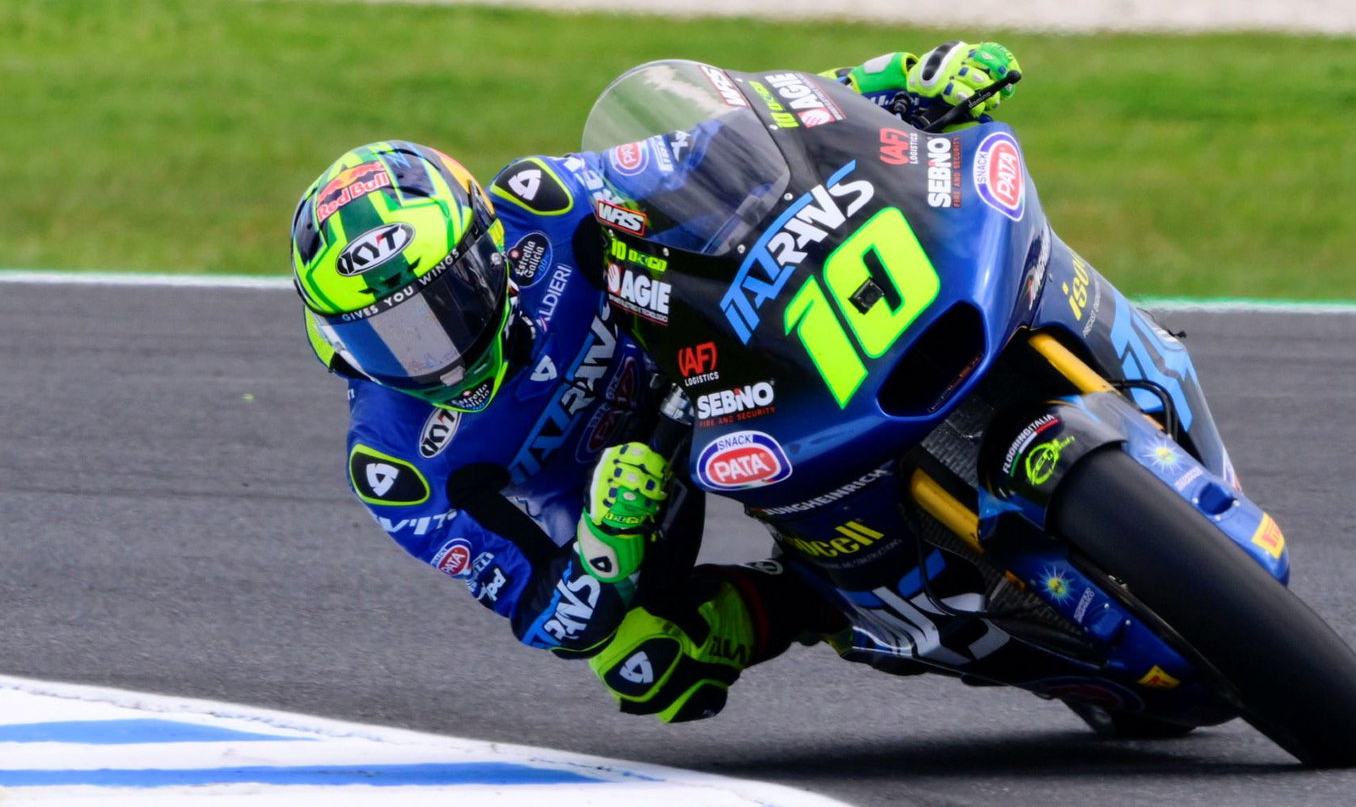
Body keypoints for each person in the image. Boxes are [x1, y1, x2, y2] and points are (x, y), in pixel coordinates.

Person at [290, 41, 1021, 723]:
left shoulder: (538, 205)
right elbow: (546, 616)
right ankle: (825, 606)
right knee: (647, 665)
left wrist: (892, 85)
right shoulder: (395, 464)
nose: (429, 351)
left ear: (489, 253)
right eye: (381, 336)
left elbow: (719, 145)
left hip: (700, 355)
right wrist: (608, 543)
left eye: (442, 304)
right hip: (629, 496)